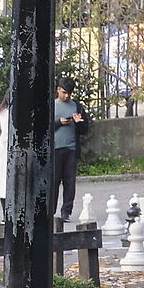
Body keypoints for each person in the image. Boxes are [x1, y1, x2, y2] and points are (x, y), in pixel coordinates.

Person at [51, 83, 83, 223]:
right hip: (55, 149)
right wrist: (58, 123)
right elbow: (43, 127)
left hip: (71, 149)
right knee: (54, 182)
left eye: (69, 93)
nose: (67, 96)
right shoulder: (51, 105)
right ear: (58, 90)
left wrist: (78, 122)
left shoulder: (76, 106)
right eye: (64, 92)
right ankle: (50, 212)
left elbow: (85, 128)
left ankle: (66, 212)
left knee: (70, 183)